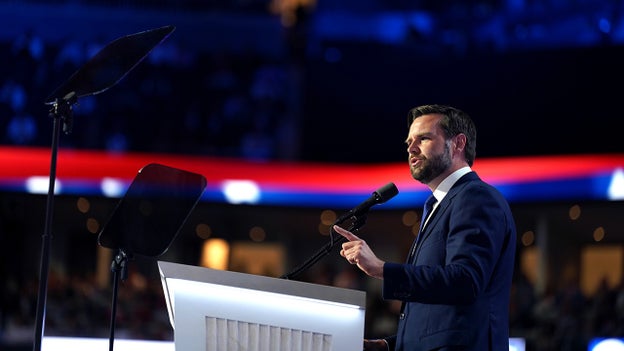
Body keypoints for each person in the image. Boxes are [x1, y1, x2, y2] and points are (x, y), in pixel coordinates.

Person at [334, 104, 517, 351]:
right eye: (409, 141)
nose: (411, 148)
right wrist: (387, 346)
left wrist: (382, 269)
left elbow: (465, 281)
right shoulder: (438, 206)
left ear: (458, 143)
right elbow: (440, 318)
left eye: (424, 138)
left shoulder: (476, 197)